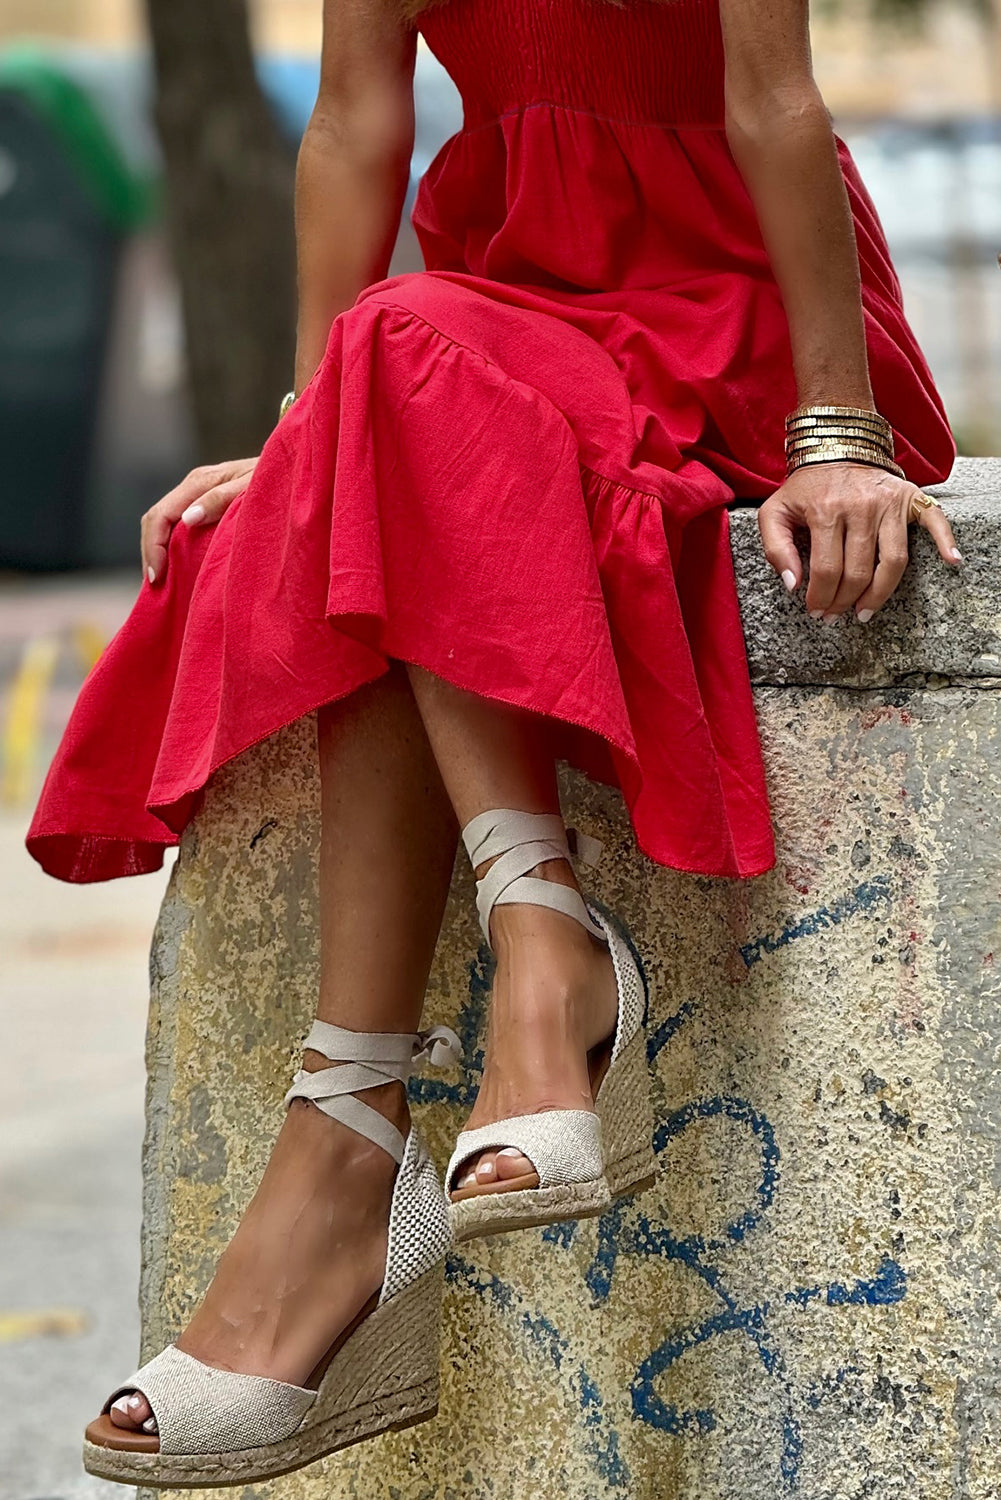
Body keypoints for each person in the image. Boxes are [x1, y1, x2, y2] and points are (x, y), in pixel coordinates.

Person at [28, 0, 961, 1486]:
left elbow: (774, 102)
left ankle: (368, 1124)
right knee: (383, 406)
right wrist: (303, 432)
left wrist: (836, 429)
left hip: (738, 310)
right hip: (509, 301)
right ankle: (510, 996)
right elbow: (351, 124)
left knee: (399, 379)